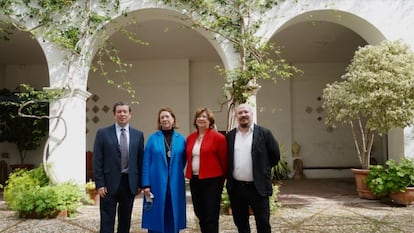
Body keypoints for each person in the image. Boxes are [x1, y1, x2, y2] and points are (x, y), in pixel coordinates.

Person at [226, 103, 280, 233]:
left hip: (258, 187)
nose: (243, 115)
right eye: (240, 113)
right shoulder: (230, 136)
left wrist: (261, 171)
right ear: (236, 116)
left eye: (246, 112)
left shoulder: (264, 133)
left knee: (263, 223)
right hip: (237, 188)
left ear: (252, 114)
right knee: (241, 223)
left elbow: (275, 156)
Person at [93, 101, 145, 233]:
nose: (122, 114)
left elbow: (140, 161)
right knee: (106, 220)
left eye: (125, 112)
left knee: (125, 220)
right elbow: (97, 160)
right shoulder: (103, 133)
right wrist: (99, 184)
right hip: (108, 185)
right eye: (119, 112)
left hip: (129, 183)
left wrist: (140, 183)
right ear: (114, 114)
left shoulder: (138, 135)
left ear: (130, 115)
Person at [141, 107, 187, 233]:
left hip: (175, 183)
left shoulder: (181, 139)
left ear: (173, 120)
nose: (165, 119)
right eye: (162, 117)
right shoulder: (152, 139)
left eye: (167, 116)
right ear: (159, 121)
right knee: (155, 215)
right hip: (156, 183)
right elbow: (146, 162)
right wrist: (146, 184)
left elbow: (183, 161)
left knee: (173, 213)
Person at [185, 107, 227, 233]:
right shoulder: (191, 138)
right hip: (195, 180)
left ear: (210, 121)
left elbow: (224, 160)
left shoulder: (218, 137)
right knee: (199, 213)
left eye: (204, 117)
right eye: (199, 116)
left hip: (212, 181)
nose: (201, 119)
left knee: (211, 215)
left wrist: (223, 180)